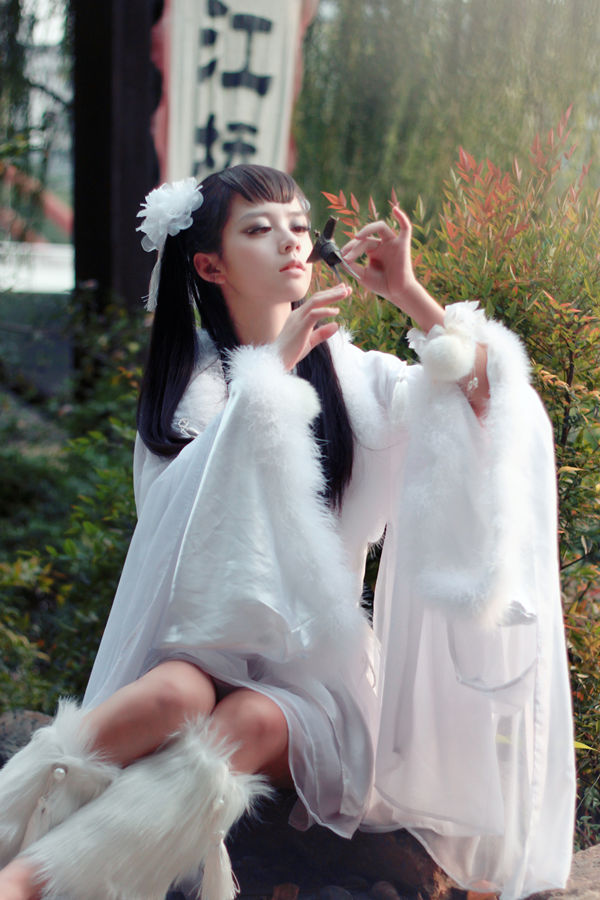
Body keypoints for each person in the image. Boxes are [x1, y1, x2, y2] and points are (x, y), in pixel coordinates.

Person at [0, 165, 575, 900]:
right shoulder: (188, 394)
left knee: (244, 722)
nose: (291, 241)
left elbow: (490, 402)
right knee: (173, 696)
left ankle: (27, 882)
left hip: (321, 679)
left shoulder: (360, 381)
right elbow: (179, 528)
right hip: (200, 650)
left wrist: (407, 293)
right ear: (210, 265)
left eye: (299, 226)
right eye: (259, 229)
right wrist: (270, 375)